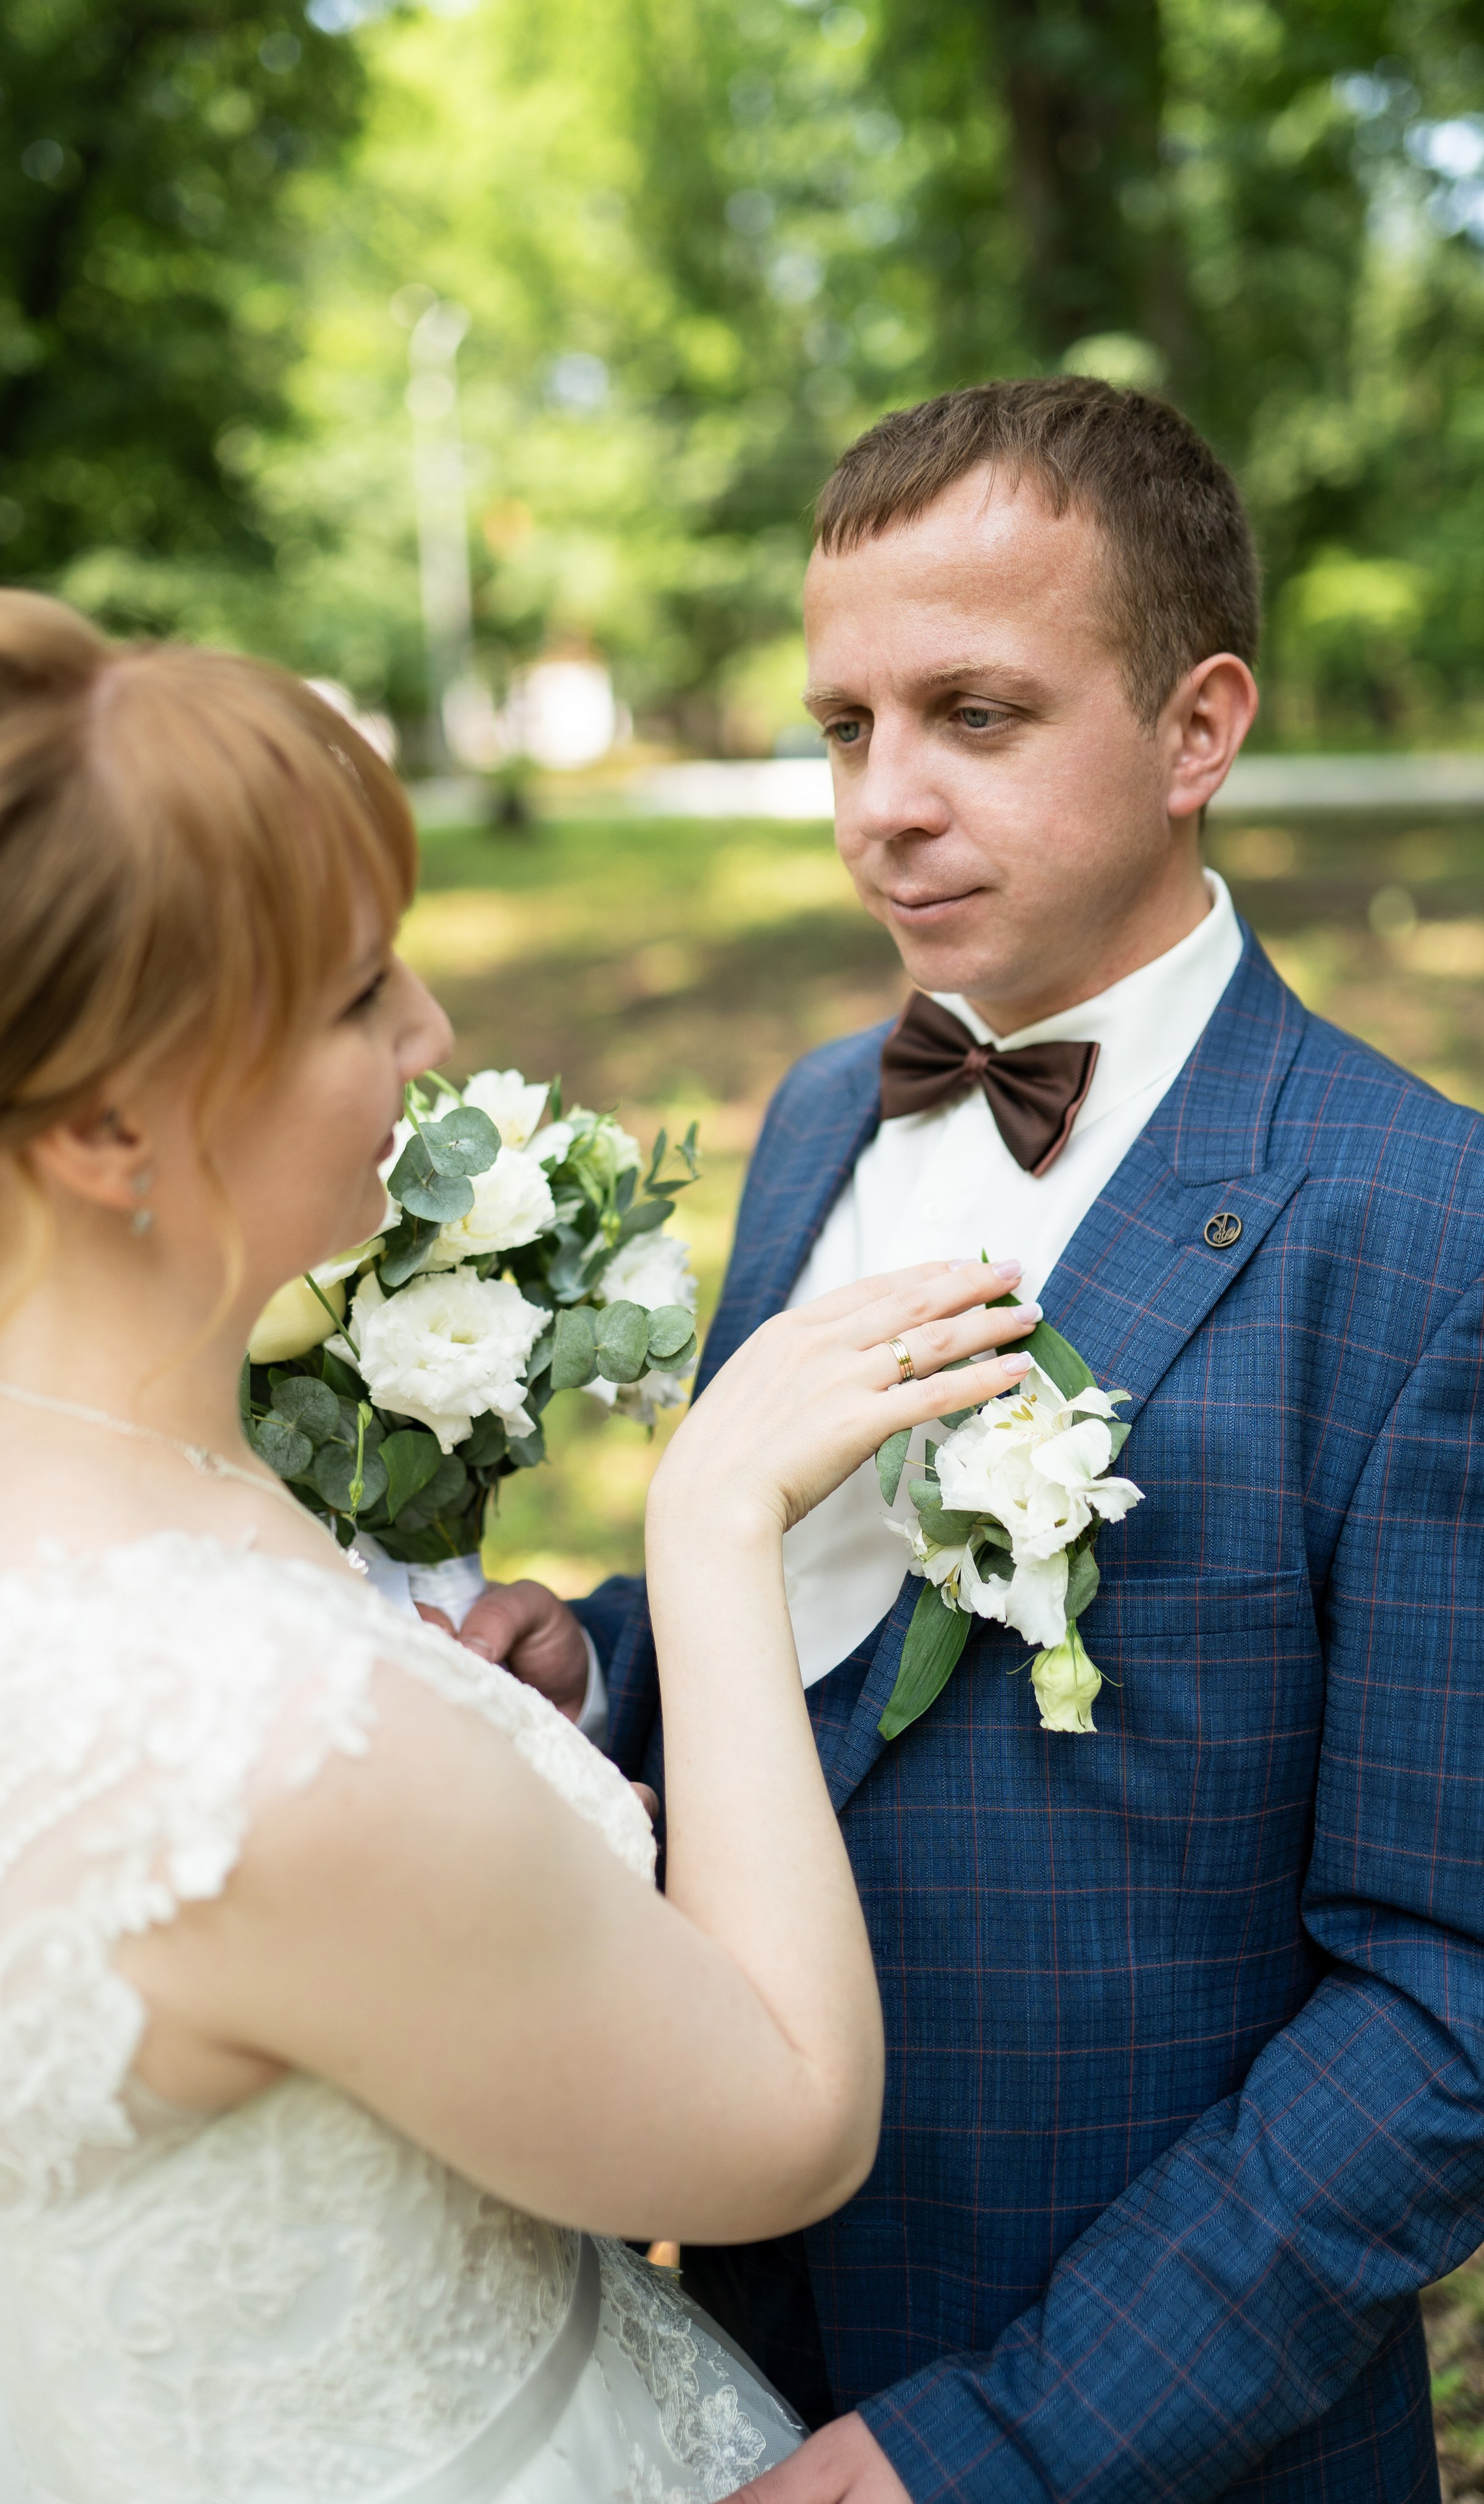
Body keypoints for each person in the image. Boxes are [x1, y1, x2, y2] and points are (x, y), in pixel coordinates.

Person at [0, 585, 1048, 2504]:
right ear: (99, 1127)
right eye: (354, 993)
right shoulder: (242, 1749)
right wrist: (714, 1528)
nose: (433, 1027)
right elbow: (790, 2121)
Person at [458, 379, 1484, 2503]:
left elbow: (1446, 2011)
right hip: (741, 2312)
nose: (880, 807)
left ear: (1198, 730)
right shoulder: (838, 1108)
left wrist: (1003, 2448)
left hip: (1157, 2421)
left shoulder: (1426, 1237)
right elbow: (814, 1647)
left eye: (975, 717)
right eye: (846, 727)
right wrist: (610, 1668)